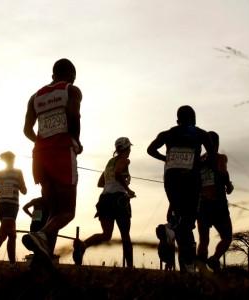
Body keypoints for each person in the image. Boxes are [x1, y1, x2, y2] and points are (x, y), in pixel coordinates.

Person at [22, 58, 82, 264]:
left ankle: (43, 256)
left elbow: (26, 130)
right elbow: (74, 117)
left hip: (39, 156)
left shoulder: (35, 97)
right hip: (62, 153)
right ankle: (40, 235)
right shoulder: (71, 91)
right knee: (67, 212)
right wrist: (76, 141)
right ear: (72, 75)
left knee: (53, 210)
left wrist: (42, 140)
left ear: (53, 74)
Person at [147, 105, 215, 273]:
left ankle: (185, 259)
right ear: (194, 119)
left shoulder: (168, 133)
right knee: (188, 220)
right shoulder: (201, 133)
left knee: (181, 218)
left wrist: (166, 158)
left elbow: (150, 149)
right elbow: (212, 155)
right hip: (190, 179)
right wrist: (200, 163)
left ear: (177, 120)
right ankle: (173, 237)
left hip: (171, 179)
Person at [73, 137, 136, 267]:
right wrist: (128, 190)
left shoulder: (110, 162)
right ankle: (130, 268)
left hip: (105, 200)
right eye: (129, 148)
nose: (130, 150)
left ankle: (82, 246)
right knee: (125, 235)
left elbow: (101, 182)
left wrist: (111, 185)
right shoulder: (124, 160)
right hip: (119, 200)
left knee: (106, 234)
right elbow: (118, 173)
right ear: (126, 149)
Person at [196, 131, 234, 272]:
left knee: (203, 240)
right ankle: (214, 258)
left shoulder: (198, 161)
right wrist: (229, 186)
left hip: (202, 205)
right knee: (227, 237)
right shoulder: (220, 158)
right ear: (216, 143)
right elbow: (223, 173)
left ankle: (201, 270)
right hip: (218, 204)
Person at [0, 151, 27, 266]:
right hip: (11, 206)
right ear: (12, 160)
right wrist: (20, 186)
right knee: (3, 235)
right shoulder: (18, 172)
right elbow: (24, 191)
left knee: (12, 235)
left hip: (0, 206)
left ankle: (12, 264)